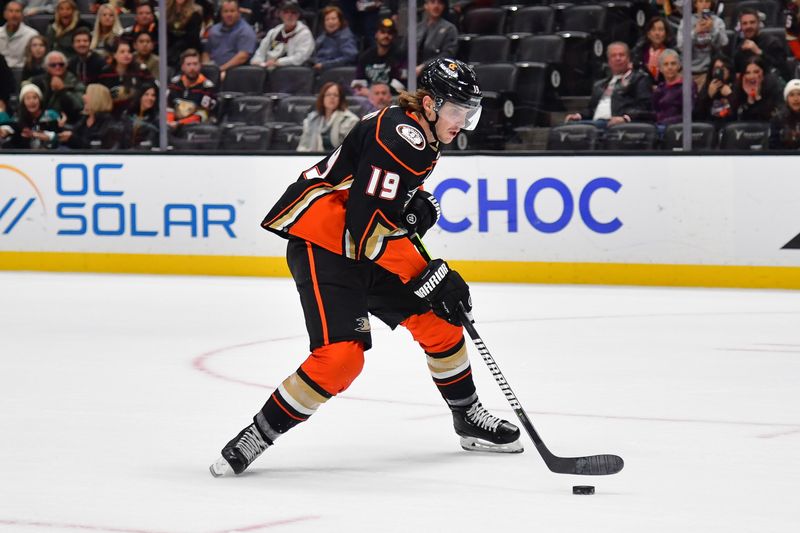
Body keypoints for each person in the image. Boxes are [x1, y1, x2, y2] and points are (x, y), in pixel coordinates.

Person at [209, 58, 522, 478]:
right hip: (324, 244)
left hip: (362, 244)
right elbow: (366, 230)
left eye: (469, 112)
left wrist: (410, 217)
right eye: (455, 111)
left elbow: (377, 210)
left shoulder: (421, 132)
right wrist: (429, 274)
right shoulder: (402, 138)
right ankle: (256, 435)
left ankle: (466, 417)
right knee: (341, 359)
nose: (462, 121)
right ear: (428, 104)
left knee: (441, 324)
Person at [565, 42, 653, 126]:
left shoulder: (639, 79)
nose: (618, 58)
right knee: (565, 127)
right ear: (609, 61)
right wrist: (579, 116)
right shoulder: (599, 85)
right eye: (613, 56)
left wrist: (626, 118)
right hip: (594, 123)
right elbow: (591, 110)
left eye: (621, 55)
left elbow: (645, 107)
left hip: (618, 124)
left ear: (629, 59)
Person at [676, 0, 727, 89]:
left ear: (711, 4)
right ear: (695, 4)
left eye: (707, 1)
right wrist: (695, 32)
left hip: (707, 72)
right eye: (700, 1)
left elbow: (724, 43)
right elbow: (681, 47)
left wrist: (713, 29)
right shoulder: (686, 21)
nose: (704, 4)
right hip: (687, 72)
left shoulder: (717, 22)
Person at [97, 37, 153, 117]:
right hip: (111, 114)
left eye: (129, 52)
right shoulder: (105, 73)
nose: (126, 55)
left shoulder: (141, 70)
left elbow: (150, 89)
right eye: (122, 52)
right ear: (114, 55)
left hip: (135, 114)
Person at [296, 81, 359, 151]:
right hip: (314, 158)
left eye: (336, 95)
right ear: (322, 98)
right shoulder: (312, 119)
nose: (332, 97)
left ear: (340, 99)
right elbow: (303, 146)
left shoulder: (350, 120)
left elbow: (351, 148)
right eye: (328, 94)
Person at [250, 1, 313, 69]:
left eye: (293, 13)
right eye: (286, 12)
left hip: (291, 72)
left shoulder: (304, 34)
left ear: (298, 15)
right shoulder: (275, 32)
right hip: (268, 69)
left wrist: (279, 62)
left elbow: (300, 57)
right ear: (280, 15)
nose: (290, 15)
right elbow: (261, 51)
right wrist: (257, 61)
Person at [204, 0, 257, 80]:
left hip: (236, 71)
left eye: (232, 11)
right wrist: (207, 68)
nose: (229, 14)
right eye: (225, 11)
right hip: (214, 69)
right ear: (221, 13)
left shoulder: (246, 31)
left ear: (239, 12)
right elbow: (206, 52)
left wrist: (220, 69)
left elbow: (243, 56)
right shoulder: (214, 30)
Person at [733, 7, 790, 81]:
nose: (748, 26)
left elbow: (783, 70)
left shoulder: (773, 42)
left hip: (771, 86)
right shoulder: (739, 47)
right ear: (741, 26)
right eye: (745, 23)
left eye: (752, 22)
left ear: (759, 23)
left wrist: (759, 52)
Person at [167, 48, 217, 129]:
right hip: (172, 125)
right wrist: (169, 123)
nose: (192, 68)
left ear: (200, 65)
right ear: (182, 67)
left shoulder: (207, 87)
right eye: (189, 64)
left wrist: (179, 123)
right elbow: (169, 108)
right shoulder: (174, 84)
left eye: (195, 64)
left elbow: (202, 115)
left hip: (195, 128)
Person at [1, 83, 63, 149]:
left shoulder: (51, 115)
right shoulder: (18, 117)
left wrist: (34, 134)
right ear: (23, 102)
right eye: (28, 98)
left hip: (50, 153)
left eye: (35, 97)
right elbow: (10, 128)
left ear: (40, 100)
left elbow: (58, 136)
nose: (32, 101)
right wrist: (4, 131)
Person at [354, 16, 406, 95]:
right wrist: (370, 93)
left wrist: (379, 93)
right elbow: (358, 82)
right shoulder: (365, 56)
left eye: (389, 33)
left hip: (392, 98)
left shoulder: (401, 56)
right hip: (369, 99)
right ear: (376, 34)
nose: (386, 36)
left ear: (393, 36)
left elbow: (402, 82)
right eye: (382, 32)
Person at [29, 50, 84, 123]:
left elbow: (79, 106)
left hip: (68, 121)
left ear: (66, 65)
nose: (57, 67)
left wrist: (62, 91)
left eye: (61, 64)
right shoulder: (37, 81)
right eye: (53, 65)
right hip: (41, 120)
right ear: (46, 67)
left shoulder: (74, 81)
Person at [62, 83, 122, 149]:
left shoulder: (109, 123)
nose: (83, 96)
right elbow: (75, 134)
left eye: (87, 94)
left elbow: (97, 147)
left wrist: (72, 139)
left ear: (96, 99)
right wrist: (61, 127)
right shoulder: (85, 118)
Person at [652, 48, 696, 129]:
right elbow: (655, 112)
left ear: (679, 66)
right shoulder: (659, 89)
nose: (670, 67)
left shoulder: (688, 85)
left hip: (680, 128)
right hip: (659, 127)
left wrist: (663, 123)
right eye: (666, 64)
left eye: (673, 64)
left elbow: (689, 114)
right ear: (660, 68)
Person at [414, 0, 458, 77]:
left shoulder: (449, 28)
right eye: (432, 2)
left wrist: (424, 66)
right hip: (412, 72)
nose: (436, 6)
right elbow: (405, 51)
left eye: (440, 3)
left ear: (443, 7)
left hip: (437, 73)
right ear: (426, 5)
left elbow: (448, 55)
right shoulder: (417, 28)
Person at [733, 55, 782, 121]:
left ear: (763, 73)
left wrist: (758, 97)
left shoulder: (773, 86)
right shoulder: (739, 87)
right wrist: (750, 101)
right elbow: (738, 118)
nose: (752, 76)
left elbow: (772, 117)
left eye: (756, 72)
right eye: (747, 73)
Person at [311, 5, 358, 72]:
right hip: (318, 68)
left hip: (336, 71)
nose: (330, 22)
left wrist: (325, 65)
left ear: (340, 21)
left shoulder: (346, 37)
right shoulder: (322, 37)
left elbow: (350, 57)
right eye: (327, 19)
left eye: (333, 19)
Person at [694, 55, 736, 128]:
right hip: (710, 129)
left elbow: (740, 113)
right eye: (716, 69)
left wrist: (730, 95)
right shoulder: (707, 87)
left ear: (729, 70)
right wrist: (708, 96)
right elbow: (697, 116)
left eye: (723, 68)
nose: (719, 72)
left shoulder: (736, 86)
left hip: (731, 128)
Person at [631, 16, 674, 83]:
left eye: (660, 30)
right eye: (653, 29)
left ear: (666, 33)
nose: (657, 33)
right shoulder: (639, 51)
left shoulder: (671, 53)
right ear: (648, 34)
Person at [0, 1, 40, 69]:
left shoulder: (32, 34)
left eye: (17, 11)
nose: (14, 14)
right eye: (11, 11)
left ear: (22, 15)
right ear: (5, 14)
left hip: (22, 71)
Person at [166, 0, 203, 67]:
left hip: (188, 50)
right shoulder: (166, 13)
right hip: (169, 51)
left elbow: (193, 38)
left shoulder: (195, 14)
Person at [122, 81, 159, 148]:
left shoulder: (156, 119)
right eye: (146, 94)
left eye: (153, 95)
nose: (150, 98)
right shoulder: (127, 114)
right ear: (140, 96)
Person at [770, 78, 800, 148]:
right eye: (792, 95)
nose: (796, 99)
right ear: (786, 99)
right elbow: (772, 146)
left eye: (799, 94)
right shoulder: (778, 119)